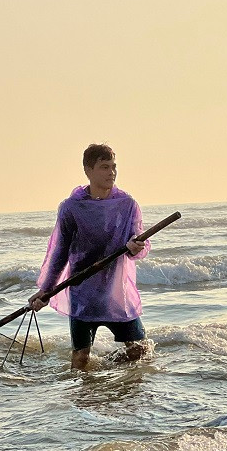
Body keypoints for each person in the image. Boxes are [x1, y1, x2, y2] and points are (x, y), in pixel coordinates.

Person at [28, 143, 149, 370]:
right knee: (81, 359)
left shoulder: (128, 204)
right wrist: (46, 290)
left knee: (139, 351)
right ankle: (83, 396)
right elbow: (59, 253)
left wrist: (136, 248)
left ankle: (107, 368)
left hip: (116, 293)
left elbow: (142, 244)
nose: (111, 172)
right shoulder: (71, 207)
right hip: (83, 293)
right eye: (104, 167)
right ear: (88, 170)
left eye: (114, 167)